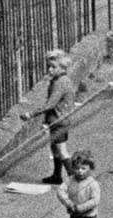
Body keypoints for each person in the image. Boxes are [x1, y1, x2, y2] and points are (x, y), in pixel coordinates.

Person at [23, 47, 83, 184]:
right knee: (54, 148)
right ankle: (57, 176)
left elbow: (50, 104)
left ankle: (75, 179)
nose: (49, 70)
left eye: (53, 67)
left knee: (62, 151)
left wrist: (31, 114)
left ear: (62, 67)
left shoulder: (61, 82)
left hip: (59, 121)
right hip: (56, 120)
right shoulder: (58, 80)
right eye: (48, 67)